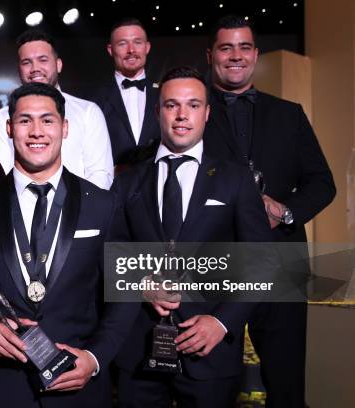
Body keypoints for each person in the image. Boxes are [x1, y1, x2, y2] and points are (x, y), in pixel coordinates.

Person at [0, 82, 135, 407]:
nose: (37, 131)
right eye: (25, 121)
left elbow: (125, 293)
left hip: (77, 385)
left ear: (64, 128)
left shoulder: (104, 206)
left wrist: (95, 358)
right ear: (10, 128)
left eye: (47, 120)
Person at [111, 67, 273, 408]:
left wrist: (222, 322)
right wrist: (140, 281)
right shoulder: (128, 182)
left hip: (209, 352)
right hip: (138, 351)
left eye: (193, 105)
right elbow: (108, 254)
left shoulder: (236, 179)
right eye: (172, 105)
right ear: (158, 112)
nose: (182, 115)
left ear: (207, 113)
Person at [204, 16, 336, 407]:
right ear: (211, 54)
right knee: (212, 382)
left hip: (282, 259)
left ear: (256, 54)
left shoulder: (289, 114)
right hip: (215, 261)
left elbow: (322, 182)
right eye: (226, 47)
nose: (235, 56)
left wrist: (287, 210)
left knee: (287, 381)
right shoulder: (193, 114)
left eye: (244, 47)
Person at [0, 29, 114, 190]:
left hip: (81, 210)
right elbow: (0, 178)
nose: (35, 68)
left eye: (43, 60)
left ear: (58, 64)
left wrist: (78, 211)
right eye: (27, 62)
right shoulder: (0, 118)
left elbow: (100, 175)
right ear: (18, 69)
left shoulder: (88, 112)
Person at [93, 18, 161, 167]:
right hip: (112, 185)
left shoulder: (164, 94)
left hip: (157, 184)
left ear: (147, 47)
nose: (131, 50)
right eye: (122, 43)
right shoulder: (94, 99)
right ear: (110, 50)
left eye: (137, 42)